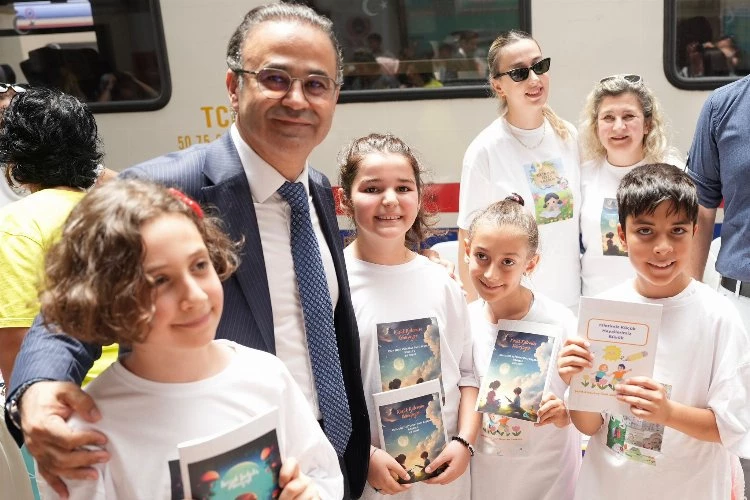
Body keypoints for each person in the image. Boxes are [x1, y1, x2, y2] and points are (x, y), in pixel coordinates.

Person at [6, 4, 370, 498]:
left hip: (315, 468)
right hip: (212, 468)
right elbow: (69, 312)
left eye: (316, 84)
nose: (297, 99)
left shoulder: (317, 190)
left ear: (334, 96)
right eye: (275, 78)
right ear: (233, 86)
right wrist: (37, 391)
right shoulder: (160, 189)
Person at [33, 178, 342, 499]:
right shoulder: (87, 435)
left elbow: (321, 473)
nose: (194, 296)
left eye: (199, 265)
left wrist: (310, 492)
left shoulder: (267, 375)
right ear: (107, 297)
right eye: (160, 280)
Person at [558, 164, 750, 500]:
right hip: (611, 488)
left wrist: (668, 413)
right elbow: (589, 425)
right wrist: (577, 382)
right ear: (622, 236)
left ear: (694, 231)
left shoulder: (718, 316)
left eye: (677, 230)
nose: (662, 247)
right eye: (645, 231)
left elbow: (731, 428)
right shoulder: (603, 312)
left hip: (690, 489)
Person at [338, 133, 479, 499]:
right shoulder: (333, 284)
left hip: (444, 483)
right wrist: (364, 455)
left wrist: (464, 442)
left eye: (403, 188)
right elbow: (320, 394)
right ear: (344, 200)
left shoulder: (442, 282)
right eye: (372, 188)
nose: (390, 200)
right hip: (372, 483)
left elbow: (468, 375)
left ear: (418, 196)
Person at [0, 87, 118, 388]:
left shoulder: (16, 226)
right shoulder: (117, 210)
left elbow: (17, 344)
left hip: (69, 391)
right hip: (133, 381)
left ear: (15, 158)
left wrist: (24, 406)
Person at [464, 195, 581, 500]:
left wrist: (566, 411)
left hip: (550, 483)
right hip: (485, 484)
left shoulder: (561, 322)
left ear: (531, 263)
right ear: (467, 250)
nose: (491, 274)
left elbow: (590, 400)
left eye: (508, 262)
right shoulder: (464, 323)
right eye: (482, 256)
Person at [457, 30, 581, 310]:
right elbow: (468, 242)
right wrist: (473, 317)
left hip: (568, 304)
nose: (534, 79)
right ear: (498, 86)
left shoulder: (568, 136)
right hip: (512, 310)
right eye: (519, 73)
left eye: (539, 66)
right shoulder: (484, 151)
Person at [687, 73, 750, 499]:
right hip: (740, 305)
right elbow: (700, 211)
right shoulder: (723, 106)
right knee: (737, 441)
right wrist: (690, 299)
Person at [579, 74, 681, 297]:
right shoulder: (583, 176)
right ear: (596, 126)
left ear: (647, 125)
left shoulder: (674, 174)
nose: (618, 127)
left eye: (628, 116)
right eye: (608, 117)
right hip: (599, 305)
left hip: (657, 304)